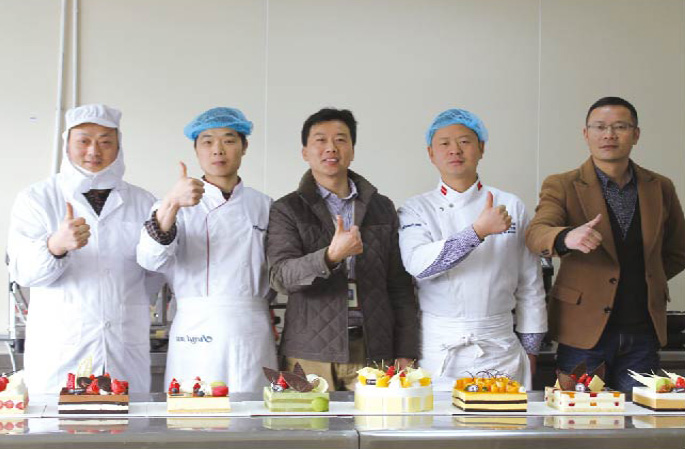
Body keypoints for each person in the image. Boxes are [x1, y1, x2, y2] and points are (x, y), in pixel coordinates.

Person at [526, 97, 685, 391]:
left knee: (642, 414)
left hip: (643, 333)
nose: (609, 135)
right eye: (599, 127)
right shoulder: (562, 184)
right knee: (579, 413)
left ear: (636, 134)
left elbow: (678, 250)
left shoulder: (660, 186)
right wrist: (565, 237)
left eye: (620, 127)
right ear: (586, 134)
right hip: (582, 333)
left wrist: (650, 277)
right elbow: (536, 233)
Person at [7, 104, 162, 394]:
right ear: (67, 144)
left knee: (128, 421)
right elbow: (23, 273)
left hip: (124, 348)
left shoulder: (144, 202)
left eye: (105, 141)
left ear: (119, 146)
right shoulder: (37, 198)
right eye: (84, 141)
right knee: (60, 422)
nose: (94, 151)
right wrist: (55, 246)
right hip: (61, 352)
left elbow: (155, 274)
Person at [266, 108, 418, 391]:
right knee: (310, 420)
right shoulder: (287, 209)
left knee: (380, 419)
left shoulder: (381, 206)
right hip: (309, 353)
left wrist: (406, 349)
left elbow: (400, 284)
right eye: (320, 140)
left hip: (375, 349)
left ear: (352, 150)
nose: (331, 148)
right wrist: (329, 257)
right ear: (305, 152)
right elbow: (281, 277)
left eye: (340, 140)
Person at [398, 108, 547, 391]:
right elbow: (419, 266)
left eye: (465, 141)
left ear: (481, 148)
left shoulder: (510, 205)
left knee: (502, 418)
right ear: (431, 153)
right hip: (439, 349)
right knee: (439, 419)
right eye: (444, 143)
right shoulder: (416, 208)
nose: (455, 150)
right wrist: (478, 232)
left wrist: (531, 349)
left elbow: (530, 284)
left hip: (499, 347)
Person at [137, 107, 277, 392]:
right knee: (195, 410)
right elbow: (150, 259)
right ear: (196, 150)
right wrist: (172, 205)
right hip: (195, 328)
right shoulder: (172, 203)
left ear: (244, 147)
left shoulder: (265, 206)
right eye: (208, 141)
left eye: (229, 140)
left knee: (253, 411)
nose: (218, 150)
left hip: (252, 327)